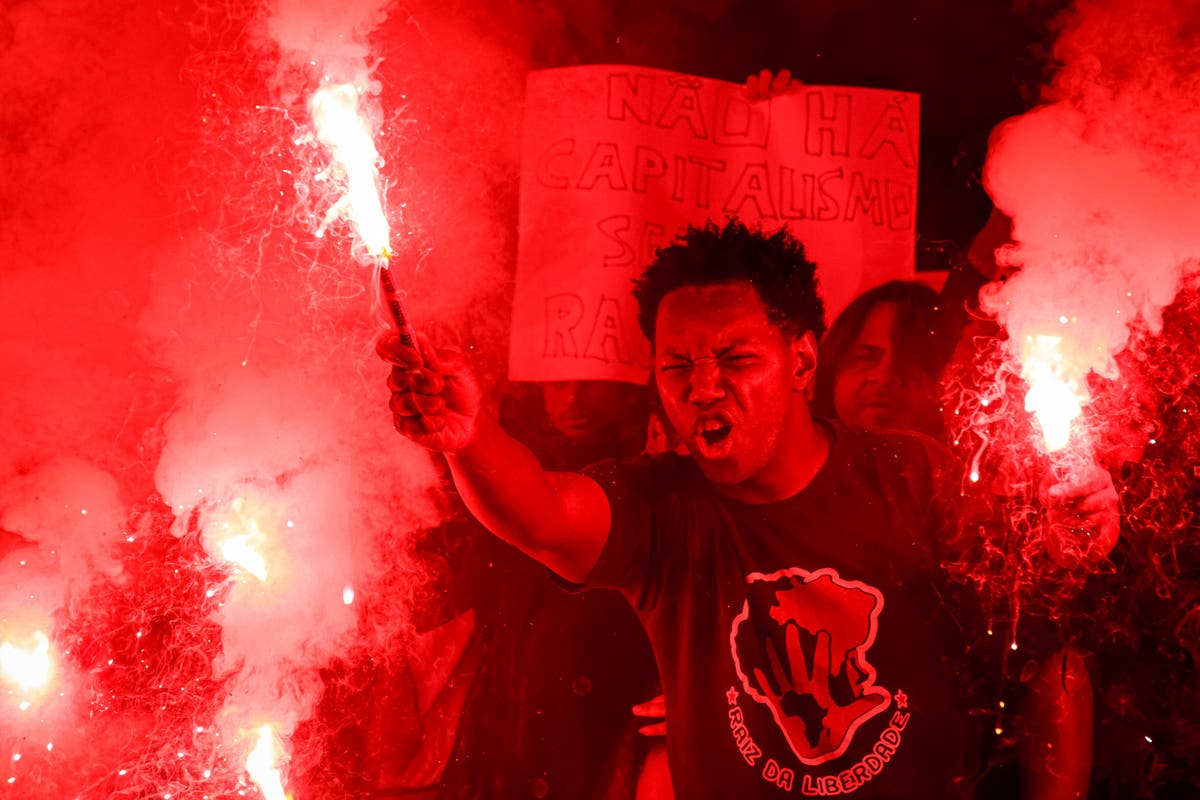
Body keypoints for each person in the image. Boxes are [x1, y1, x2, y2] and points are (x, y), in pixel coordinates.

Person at [378, 218, 1117, 798]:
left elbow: (1048, 651)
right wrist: (468, 438)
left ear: (801, 361)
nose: (701, 387)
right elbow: (540, 513)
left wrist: (1076, 529)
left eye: (735, 360)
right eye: (676, 366)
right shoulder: (659, 506)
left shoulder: (914, 476)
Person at [811, 279, 950, 438]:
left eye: (906, 360)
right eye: (866, 357)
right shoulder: (797, 459)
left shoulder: (967, 461)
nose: (883, 377)